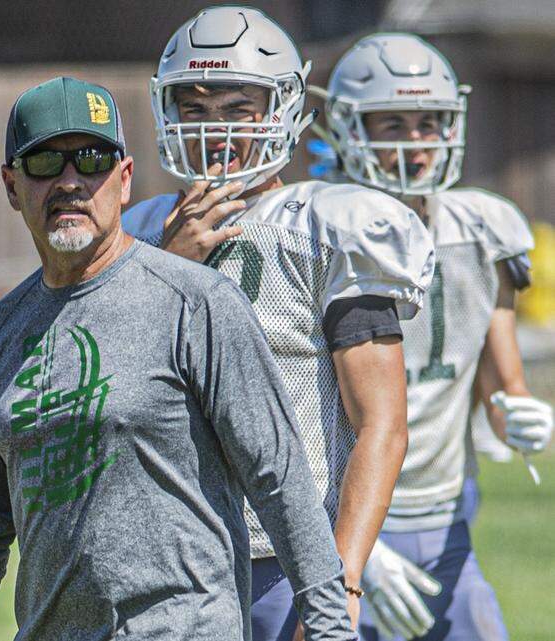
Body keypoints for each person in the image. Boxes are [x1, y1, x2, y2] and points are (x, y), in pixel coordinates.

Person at [0, 76, 355, 641]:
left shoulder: (197, 303)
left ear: (124, 180)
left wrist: (331, 626)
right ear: (11, 184)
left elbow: (279, 479)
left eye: (92, 159)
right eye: (45, 163)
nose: (71, 182)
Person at [120, 7, 436, 640]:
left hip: (282, 566)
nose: (215, 131)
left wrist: (340, 582)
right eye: (196, 107)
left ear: (285, 110)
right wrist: (166, 268)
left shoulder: (331, 226)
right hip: (159, 560)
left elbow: (382, 423)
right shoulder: (134, 233)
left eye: (239, 109)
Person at [323, 32, 553, 641]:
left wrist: (524, 417)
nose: (416, 142)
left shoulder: (483, 229)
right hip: (343, 530)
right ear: (347, 128)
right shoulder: (316, 228)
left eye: (430, 122)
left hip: (449, 521)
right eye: (392, 121)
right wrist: (346, 549)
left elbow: (503, 391)